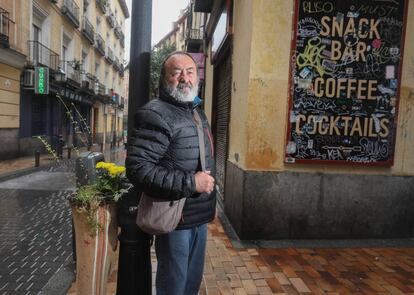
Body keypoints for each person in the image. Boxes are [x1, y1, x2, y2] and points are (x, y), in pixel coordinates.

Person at [125, 51, 216, 295]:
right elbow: (138, 169)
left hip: (200, 216)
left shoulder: (196, 111)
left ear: (197, 77)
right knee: (173, 286)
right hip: (175, 219)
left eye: (190, 71)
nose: (185, 78)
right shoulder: (155, 113)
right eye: (176, 73)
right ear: (165, 80)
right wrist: (191, 182)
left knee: (190, 286)